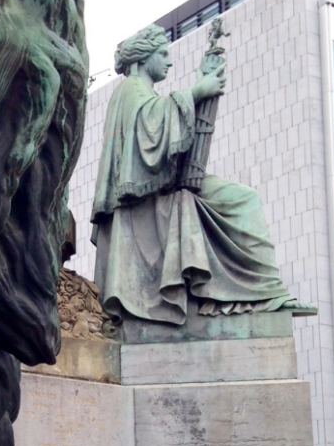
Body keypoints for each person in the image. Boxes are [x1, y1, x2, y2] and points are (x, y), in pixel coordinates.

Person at [92, 24, 310, 325]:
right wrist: (197, 91)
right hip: (146, 201)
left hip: (164, 187)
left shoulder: (146, 93)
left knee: (246, 199)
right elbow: (148, 132)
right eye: (163, 54)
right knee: (244, 201)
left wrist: (200, 86)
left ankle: (260, 290)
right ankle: (242, 293)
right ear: (143, 59)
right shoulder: (130, 89)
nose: (169, 61)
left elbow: (165, 135)